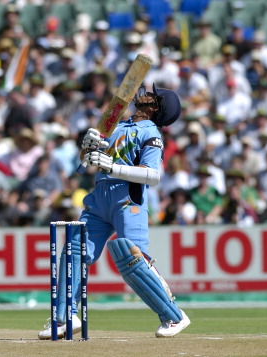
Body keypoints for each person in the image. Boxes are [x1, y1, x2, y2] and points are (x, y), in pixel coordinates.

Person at [38, 85, 190, 339]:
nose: (145, 93)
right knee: (74, 250)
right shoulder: (118, 126)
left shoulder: (151, 132)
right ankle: (66, 317)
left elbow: (152, 175)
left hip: (127, 199)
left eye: (151, 95)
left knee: (132, 259)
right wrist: (86, 148)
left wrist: (114, 168)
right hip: (99, 198)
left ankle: (174, 316)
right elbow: (88, 162)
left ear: (155, 107)